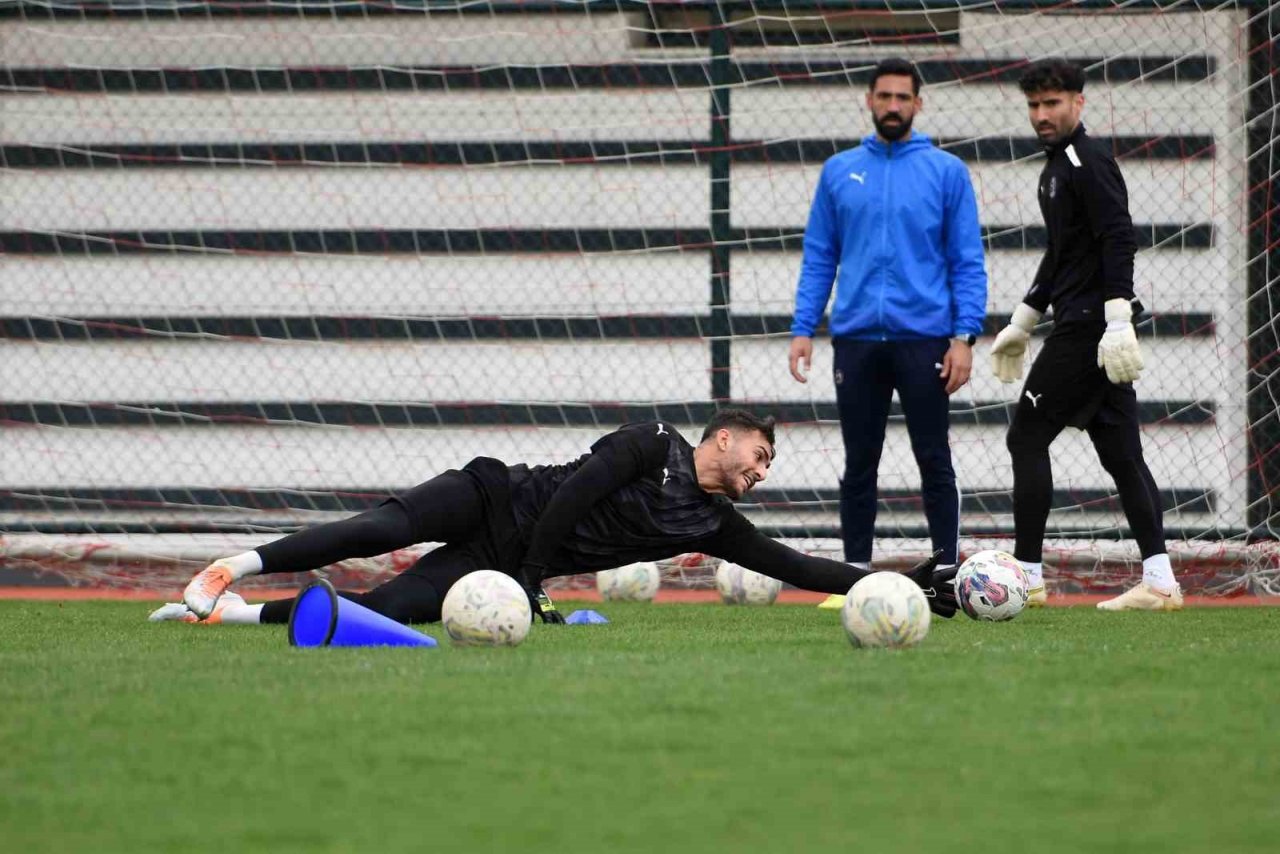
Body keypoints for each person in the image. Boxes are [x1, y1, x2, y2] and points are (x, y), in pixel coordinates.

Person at [149, 410, 959, 627]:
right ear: (724, 437)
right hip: (494, 495)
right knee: (376, 530)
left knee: (386, 609)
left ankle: (236, 614)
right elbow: (574, 495)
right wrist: (534, 577)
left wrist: (916, 580)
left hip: (501, 564)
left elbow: (802, 569)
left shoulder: (710, 524)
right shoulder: (652, 443)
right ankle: (239, 564)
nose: (761, 469)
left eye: (768, 468)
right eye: (759, 453)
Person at [988, 59, 1181, 611]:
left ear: (1079, 102)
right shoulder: (1054, 168)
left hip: (1089, 329)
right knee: (1122, 453)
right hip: (1081, 323)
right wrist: (1023, 321)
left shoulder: (1086, 160)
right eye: (1034, 105)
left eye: (1052, 104)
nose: (1042, 115)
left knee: (1025, 437)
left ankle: (1025, 575)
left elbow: (1119, 236)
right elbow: (1063, 251)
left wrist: (1118, 318)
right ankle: (1161, 582)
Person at [788, 57, 987, 585]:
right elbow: (819, 256)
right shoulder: (839, 170)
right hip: (854, 340)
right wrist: (803, 328)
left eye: (903, 97)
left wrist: (964, 337)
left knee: (934, 459)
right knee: (859, 464)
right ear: (869, 101)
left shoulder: (947, 172)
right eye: (885, 96)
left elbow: (967, 260)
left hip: (925, 340)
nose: (893, 106)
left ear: (919, 104)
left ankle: (948, 569)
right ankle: (854, 573)